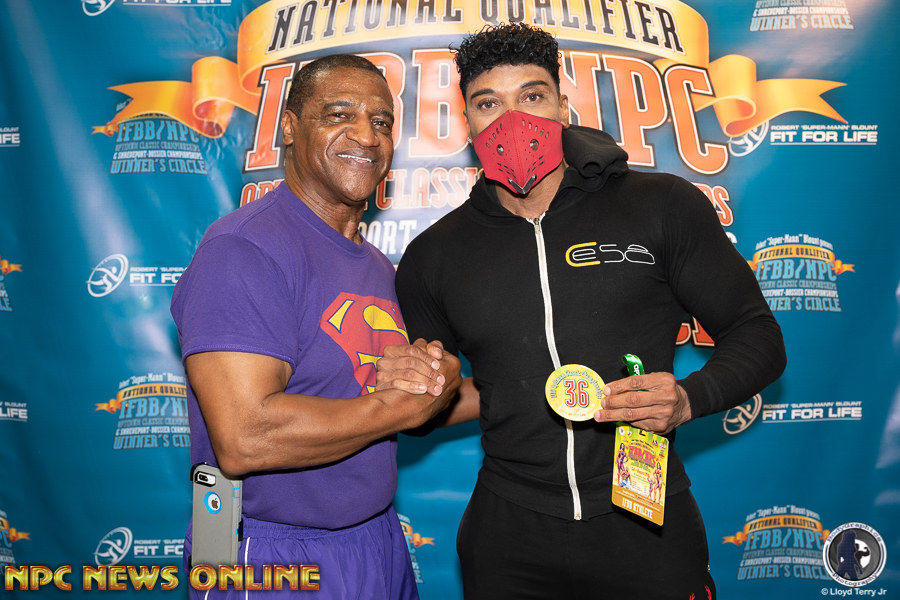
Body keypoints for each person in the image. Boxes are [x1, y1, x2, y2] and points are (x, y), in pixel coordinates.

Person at [394, 23, 786, 599]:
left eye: (532, 96)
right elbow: (429, 403)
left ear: (562, 104)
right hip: (509, 534)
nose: (512, 120)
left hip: (646, 516)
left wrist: (688, 398)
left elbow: (758, 335)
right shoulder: (434, 255)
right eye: (488, 103)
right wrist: (413, 386)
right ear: (468, 121)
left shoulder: (661, 205)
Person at [170, 54, 460, 599]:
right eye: (339, 114)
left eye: (381, 121)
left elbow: (373, 400)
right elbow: (246, 437)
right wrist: (400, 407)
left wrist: (439, 379)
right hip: (271, 552)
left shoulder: (376, 266)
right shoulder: (243, 248)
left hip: (375, 539)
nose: (366, 135)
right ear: (289, 127)